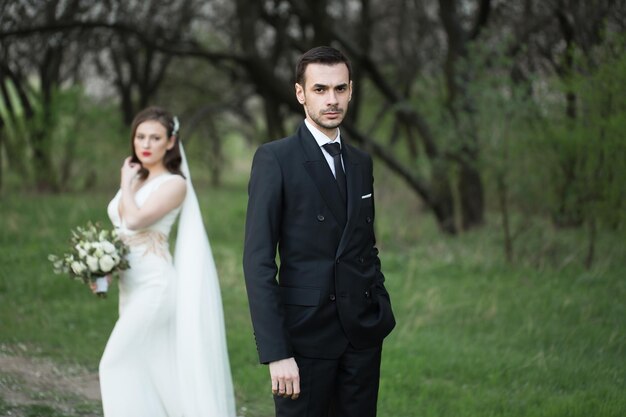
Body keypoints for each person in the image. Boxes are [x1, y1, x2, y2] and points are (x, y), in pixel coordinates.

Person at [243, 46, 396, 417]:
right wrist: (276, 351)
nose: (332, 100)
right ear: (300, 93)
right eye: (320, 89)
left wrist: (378, 302)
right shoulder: (275, 159)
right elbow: (258, 261)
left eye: (340, 89)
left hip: (361, 335)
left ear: (351, 91)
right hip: (304, 339)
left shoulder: (360, 162)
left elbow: (363, 243)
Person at [99, 106, 236, 417]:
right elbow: (122, 234)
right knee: (149, 369)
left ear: (170, 142)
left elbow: (133, 221)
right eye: (140, 137)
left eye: (155, 137)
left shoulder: (175, 184)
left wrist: (124, 181)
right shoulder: (139, 178)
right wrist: (101, 270)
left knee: (113, 362)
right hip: (130, 286)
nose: (146, 144)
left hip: (155, 287)